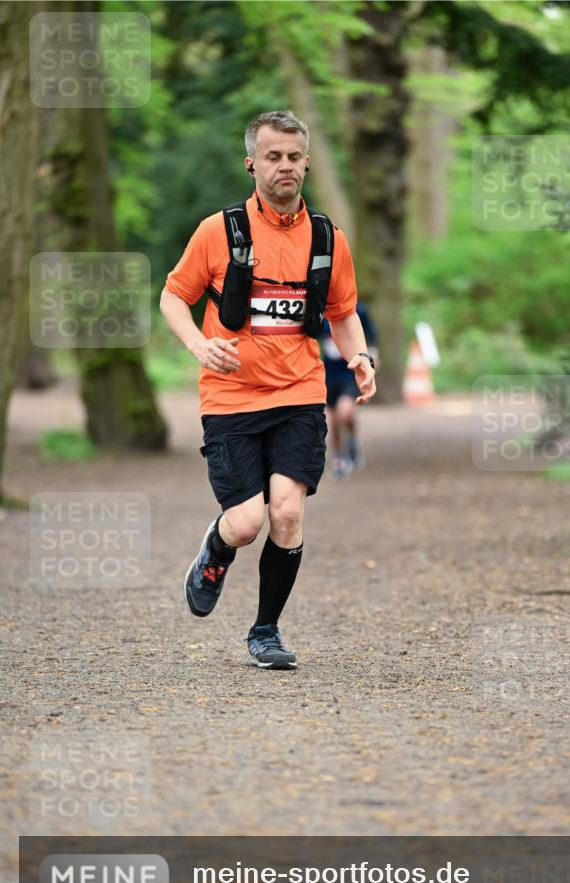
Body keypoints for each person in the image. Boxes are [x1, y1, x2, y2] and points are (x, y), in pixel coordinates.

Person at [160, 110, 376, 669]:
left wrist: (359, 356)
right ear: (251, 162)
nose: (286, 166)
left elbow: (343, 312)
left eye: (294, 156)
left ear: (306, 161)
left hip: (300, 395)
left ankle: (266, 632)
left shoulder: (327, 237)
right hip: (230, 398)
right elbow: (173, 297)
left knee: (285, 516)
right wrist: (198, 345)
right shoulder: (219, 231)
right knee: (247, 523)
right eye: (274, 156)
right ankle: (216, 546)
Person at [320, 301, 379, 479]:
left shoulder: (358, 310)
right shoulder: (318, 308)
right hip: (329, 374)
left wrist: (373, 355)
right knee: (335, 421)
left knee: (343, 412)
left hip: (350, 372)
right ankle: (339, 458)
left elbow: (372, 334)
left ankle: (352, 442)